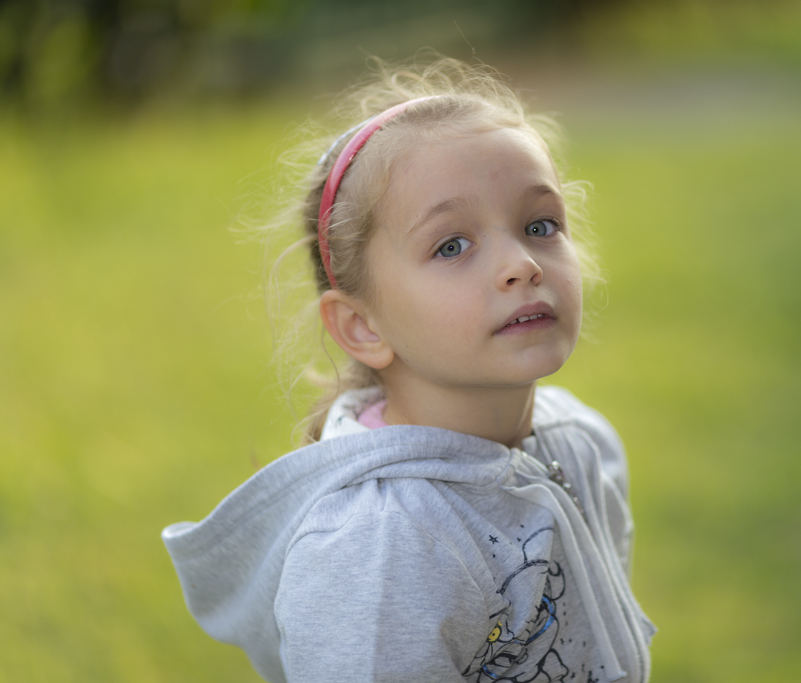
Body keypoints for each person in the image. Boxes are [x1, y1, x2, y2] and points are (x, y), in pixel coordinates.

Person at [162, 57, 655, 683]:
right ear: (363, 327)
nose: (521, 264)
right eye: (452, 245)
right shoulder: (380, 550)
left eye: (540, 225)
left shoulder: (583, 443)